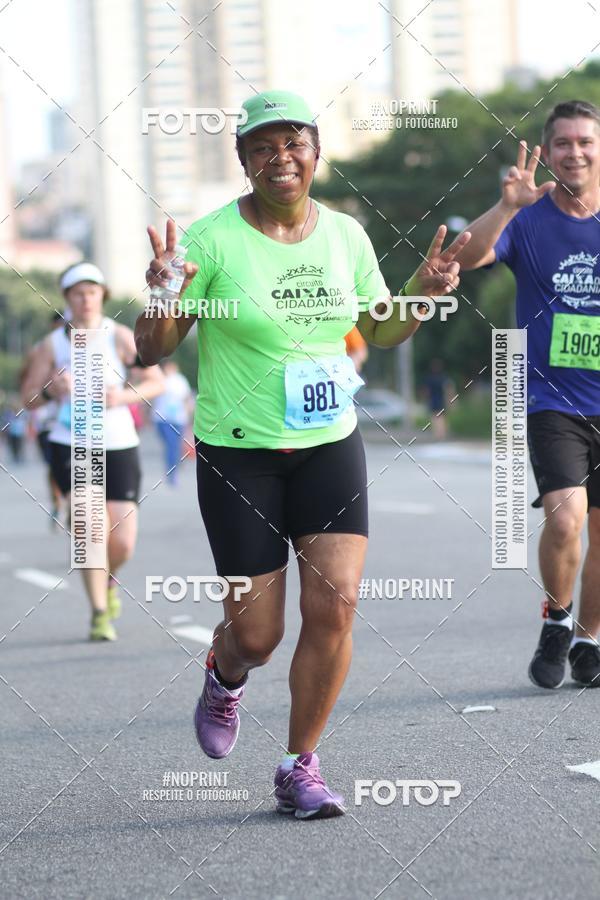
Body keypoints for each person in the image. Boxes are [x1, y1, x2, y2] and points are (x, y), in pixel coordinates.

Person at [136, 89, 470, 819]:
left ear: (316, 152)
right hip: (241, 455)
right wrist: (161, 296)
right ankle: (225, 674)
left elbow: (379, 330)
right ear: (244, 161)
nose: (280, 158)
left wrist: (421, 294)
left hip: (329, 445)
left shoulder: (346, 235)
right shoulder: (211, 241)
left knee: (336, 606)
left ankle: (299, 765)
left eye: (293, 143)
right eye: (263, 147)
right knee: (258, 635)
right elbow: (153, 349)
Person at [455, 99, 600, 689]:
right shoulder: (528, 218)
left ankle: (589, 640)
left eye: (586, 141)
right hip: (552, 400)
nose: (575, 152)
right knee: (566, 520)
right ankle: (557, 619)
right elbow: (465, 257)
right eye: (563, 142)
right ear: (548, 151)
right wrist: (506, 206)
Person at [21, 263, 164, 641]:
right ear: (67, 298)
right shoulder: (52, 345)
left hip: (119, 443)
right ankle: (99, 613)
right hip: (73, 443)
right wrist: (51, 390)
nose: (86, 299)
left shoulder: (120, 337)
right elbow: (28, 399)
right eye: (78, 293)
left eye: (92, 292)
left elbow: (156, 380)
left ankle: (109, 580)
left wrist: (123, 396)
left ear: (102, 295)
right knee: (88, 528)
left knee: (123, 542)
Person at [20, 311, 64, 525]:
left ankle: (74, 502)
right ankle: (57, 501)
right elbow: (26, 382)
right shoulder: (41, 349)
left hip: (76, 416)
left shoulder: (85, 346)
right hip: (47, 417)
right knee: (53, 464)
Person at [151, 359, 194, 485]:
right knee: (170, 445)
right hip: (162, 419)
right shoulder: (159, 379)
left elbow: (187, 398)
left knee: (173, 445)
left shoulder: (180, 380)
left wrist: (189, 414)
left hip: (178, 419)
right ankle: (173, 465)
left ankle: (172, 472)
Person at [422, 357, 452, 440]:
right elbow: (448, 389)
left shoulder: (430, 378)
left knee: (435, 417)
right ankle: (442, 433)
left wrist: (425, 398)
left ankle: (438, 434)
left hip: (434, 400)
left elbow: (426, 391)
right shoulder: (443, 377)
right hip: (440, 400)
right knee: (441, 417)